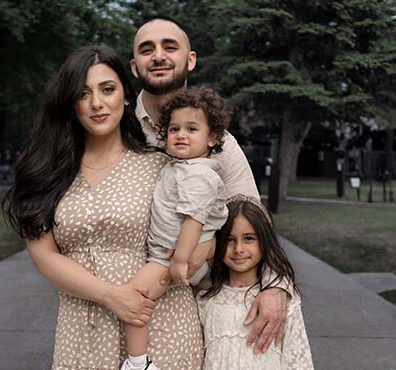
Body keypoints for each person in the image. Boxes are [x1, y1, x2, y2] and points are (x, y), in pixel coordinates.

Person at [2, 45, 203, 370]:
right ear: (70, 104)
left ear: (125, 95)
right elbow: (44, 257)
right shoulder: (47, 173)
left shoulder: (163, 167)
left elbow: (191, 242)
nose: (97, 103)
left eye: (107, 89)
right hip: (83, 332)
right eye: (83, 94)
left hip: (160, 328)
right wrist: (111, 295)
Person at [130, 15, 291, 353]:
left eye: (169, 47)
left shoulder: (221, 145)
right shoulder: (117, 128)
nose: (158, 56)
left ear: (190, 60)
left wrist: (276, 287)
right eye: (147, 49)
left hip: (195, 302)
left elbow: (253, 215)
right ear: (135, 66)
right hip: (126, 291)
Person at [121, 87, 229, 370]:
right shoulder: (180, 166)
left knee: (134, 297)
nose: (181, 135)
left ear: (213, 138)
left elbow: (194, 219)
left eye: (192, 128)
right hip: (171, 253)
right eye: (174, 129)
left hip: (173, 257)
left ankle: (138, 363)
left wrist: (180, 261)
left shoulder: (199, 174)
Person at [196, 196, 314, 370]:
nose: (239, 249)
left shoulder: (284, 303)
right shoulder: (205, 300)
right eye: (229, 239)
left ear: (264, 241)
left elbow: (298, 361)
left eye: (249, 238)